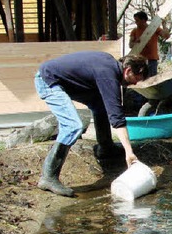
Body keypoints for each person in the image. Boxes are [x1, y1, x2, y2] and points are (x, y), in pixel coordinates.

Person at [34, 52, 148, 197]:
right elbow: (117, 118)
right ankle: (48, 177)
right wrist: (129, 152)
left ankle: (106, 148)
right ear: (128, 70)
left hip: (66, 81)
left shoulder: (110, 66)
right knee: (73, 126)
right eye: (136, 78)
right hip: (48, 80)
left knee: (101, 104)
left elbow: (112, 105)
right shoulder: (108, 74)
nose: (135, 83)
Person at [129, 11, 170, 77]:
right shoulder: (134, 31)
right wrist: (135, 42)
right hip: (139, 61)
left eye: (137, 20)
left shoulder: (153, 28)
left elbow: (166, 36)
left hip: (152, 60)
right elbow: (130, 45)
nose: (136, 23)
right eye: (135, 21)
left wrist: (164, 24)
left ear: (143, 20)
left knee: (152, 79)